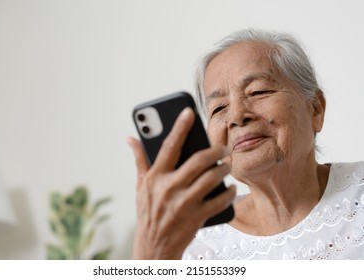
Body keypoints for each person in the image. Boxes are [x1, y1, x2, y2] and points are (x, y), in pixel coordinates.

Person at [127, 28, 364, 260]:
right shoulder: (193, 246)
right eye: (219, 108)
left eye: (258, 91)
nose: (237, 116)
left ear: (315, 109)